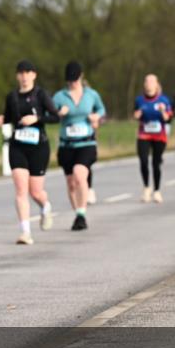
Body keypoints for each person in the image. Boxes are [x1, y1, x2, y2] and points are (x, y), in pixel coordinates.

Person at [0, 60, 59, 245]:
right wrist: (2, 119)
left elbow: (55, 117)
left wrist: (37, 118)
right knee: (21, 189)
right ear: (17, 76)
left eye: (27, 73)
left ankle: (45, 207)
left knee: (35, 192)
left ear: (34, 75)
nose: (24, 76)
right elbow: (8, 116)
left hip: (39, 147)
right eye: (21, 73)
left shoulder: (41, 95)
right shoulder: (12, 96)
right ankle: (25, 232)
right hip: (18, 146)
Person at [53, 61, 106, 231]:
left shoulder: (91, 94)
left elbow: (102, 109)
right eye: (70, 80)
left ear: (81, 77)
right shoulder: (59, 96)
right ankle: (77, 214)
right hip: (67, 145)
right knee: (71, 182)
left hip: (86, 143)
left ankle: (82, 214)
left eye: (75, 79)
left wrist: (96, 116)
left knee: (79, 174)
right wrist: (59, 113)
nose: (73, 83)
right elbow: (49, 114)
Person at [133, 74, 172, 203]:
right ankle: (146, 188)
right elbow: (135, 114)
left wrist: (162, 111)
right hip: (144, 134)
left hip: (159, 136)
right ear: (144, 84)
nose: (149, 83)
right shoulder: (139, 100)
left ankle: (157, 191)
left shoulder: (164, 100)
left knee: (156, 163)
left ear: (156, 84)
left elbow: (168, 119)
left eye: (151, 81)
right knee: (143, 161)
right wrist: (137, 115)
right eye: (147, 81)